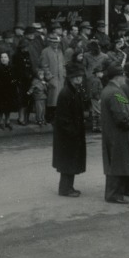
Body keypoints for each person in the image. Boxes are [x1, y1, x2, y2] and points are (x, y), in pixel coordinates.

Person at [100, 63, 129, 204]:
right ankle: (113, 194)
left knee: (117, 162)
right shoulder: (116, 92)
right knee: (117, 163)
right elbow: (121, 115)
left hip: (113, 132)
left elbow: (126, 104)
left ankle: (119, 191)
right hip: (119, 133)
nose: (124, 79)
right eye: (123, 76)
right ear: (118, 77)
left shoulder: (110, 90)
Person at [53, 63, 89, 197]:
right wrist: (73, 131)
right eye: (76, 77)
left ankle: (69, 187)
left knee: (71, 161)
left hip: (73, 133)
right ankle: (65, 189)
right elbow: (63, 118)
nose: (79, 79)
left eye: (80, 77)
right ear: (71, 78)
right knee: (67, 162)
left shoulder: (74, 91)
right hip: (68, 135)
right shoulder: (66, 93)